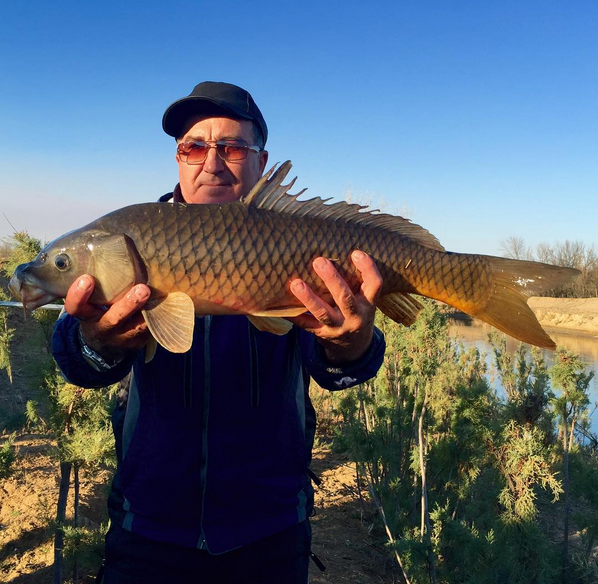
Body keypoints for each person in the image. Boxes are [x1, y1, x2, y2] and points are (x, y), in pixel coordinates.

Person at [51, 81, 386, 583]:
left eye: (230, 147)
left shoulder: (299, 236)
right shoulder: (130, 237)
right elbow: (77, 363)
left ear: (260, 160)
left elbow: (340, 369)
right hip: (148, 527)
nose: (211, 162)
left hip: (269, 531)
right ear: (179, 158)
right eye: (193, 147)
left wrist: (351, 340)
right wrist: (97, 341)